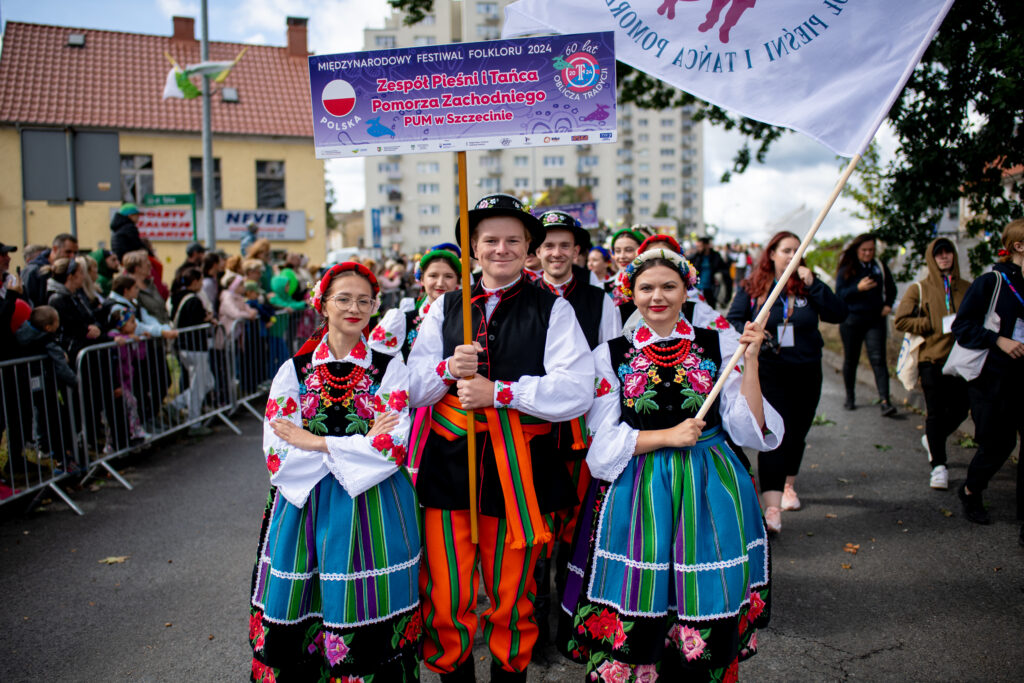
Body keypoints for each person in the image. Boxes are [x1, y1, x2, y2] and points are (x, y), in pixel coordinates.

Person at [561, 248, 782, 681]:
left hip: (711, 486)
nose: (657, 296)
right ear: (631, 293)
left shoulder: (718, 344)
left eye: (668, 286)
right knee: (642, 596)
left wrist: (751, 362)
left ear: (686, 291)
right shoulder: (610, 354)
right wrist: (666, 436)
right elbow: (602, 446)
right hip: (638, 489)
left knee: (703, 599)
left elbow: (747, 428)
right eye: (646, 288)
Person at [407, 193, 594, 682]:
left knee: (512, 594)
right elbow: (410, 387)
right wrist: (448, 369)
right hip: (449, 463)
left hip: (519, 469)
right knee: (446, 592)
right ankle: (455, 672)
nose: (501, 248)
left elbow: (576, 389)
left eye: (513, 239)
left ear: (529, 247)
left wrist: (502, 392)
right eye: (489, 239)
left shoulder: (552, 309)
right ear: (473, 247)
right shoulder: (445, 307)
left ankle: (511, 673)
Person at [249, 262, 421, 681]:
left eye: (365, 300)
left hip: (375, 505)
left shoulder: (389, 366)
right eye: (343, 298)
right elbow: (278, 450)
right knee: (308, 601)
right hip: (305, 504)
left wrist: (315, 441)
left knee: (367, 601)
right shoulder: (294, 368)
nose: (354, 307)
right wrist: (355, 446)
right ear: (321, 304)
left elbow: (392, 446)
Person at [530, 210, 622, 648]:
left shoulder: (599, 299)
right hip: (530, 428)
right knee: (536, 525)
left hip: (583, 429)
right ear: (537, 251)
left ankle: (569, 622)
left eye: (564, 245)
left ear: (578, 251)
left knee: (576, 523)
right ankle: (535, 623)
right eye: (548, 244)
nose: (556, 252)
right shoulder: (523, 296)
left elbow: (610, 367)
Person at [727, 231, 847, 532]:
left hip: (806, 370)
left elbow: (837, 313)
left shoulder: (807, 287)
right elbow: (733, 320)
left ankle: (788, 484)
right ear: (772, 254)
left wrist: (814, 283)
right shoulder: (753, 287)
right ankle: (772, 508)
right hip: (769, 370)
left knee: (797, 432)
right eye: (786, 250)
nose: (792, 256)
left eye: (797, 251)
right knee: (774, 436)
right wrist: (754, 331)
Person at [950, 219, 1024, 543]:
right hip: (992, 379)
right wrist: (998, 340)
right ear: (1018, 246)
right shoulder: (991, 282)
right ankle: (970, 490)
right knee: (998, 443)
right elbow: (962, 326)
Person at [893, 237, 972, 490]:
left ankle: (932, 439)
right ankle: (939, 466)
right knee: (935, 412)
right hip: (931, 359)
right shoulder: (919, 288)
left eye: (948, 252)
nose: (944, 257)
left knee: (960, 409)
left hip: (960, 360)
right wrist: (925, 324)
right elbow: (901, 320)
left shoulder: (967, 287)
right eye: (939, 254)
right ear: (931, 258)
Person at [835, 234, 898, 415]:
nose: (868, 253)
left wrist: (887, 305)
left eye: (871, 250)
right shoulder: (847, 268)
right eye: (864, 250)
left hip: (875, 320)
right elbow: (839, 294)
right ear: (857, 250)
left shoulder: (879, 267)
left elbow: (891, 289)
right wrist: (858, 288)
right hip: (851, 321)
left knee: (878, 359)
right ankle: (850, 397)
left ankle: (885, 401)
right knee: (851, 360)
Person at [168, 268, 215, 436]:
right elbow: (196, 321)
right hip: (194, 347)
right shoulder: (193, 300)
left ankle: (176, 404)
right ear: (194, 281)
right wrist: (208, 319)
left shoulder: (176, 297)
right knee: (198, 385)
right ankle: (194, 423)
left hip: (184, 347)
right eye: (200, 280)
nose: (202, 284)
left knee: (208, 382)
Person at [24, 233, 78, 306]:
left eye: (75, 253)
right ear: (55, 249)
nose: (72, 256)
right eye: (68, 252)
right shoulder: (34, 271)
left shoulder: (67, 270)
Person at [610, 227, 644, 322]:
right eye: (617, 251)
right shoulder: (603, 289)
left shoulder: (652, 286)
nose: (622, 256)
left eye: (628, 250)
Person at [689, 236, 728, 308]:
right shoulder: (695, 257)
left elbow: (724, 270)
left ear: (707, 245)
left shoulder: (716, 256)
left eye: (700, 246)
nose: (698, 248)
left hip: (711, 289)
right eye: (697, 246)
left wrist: (718, 275)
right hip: (697, 288)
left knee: (711, 309)